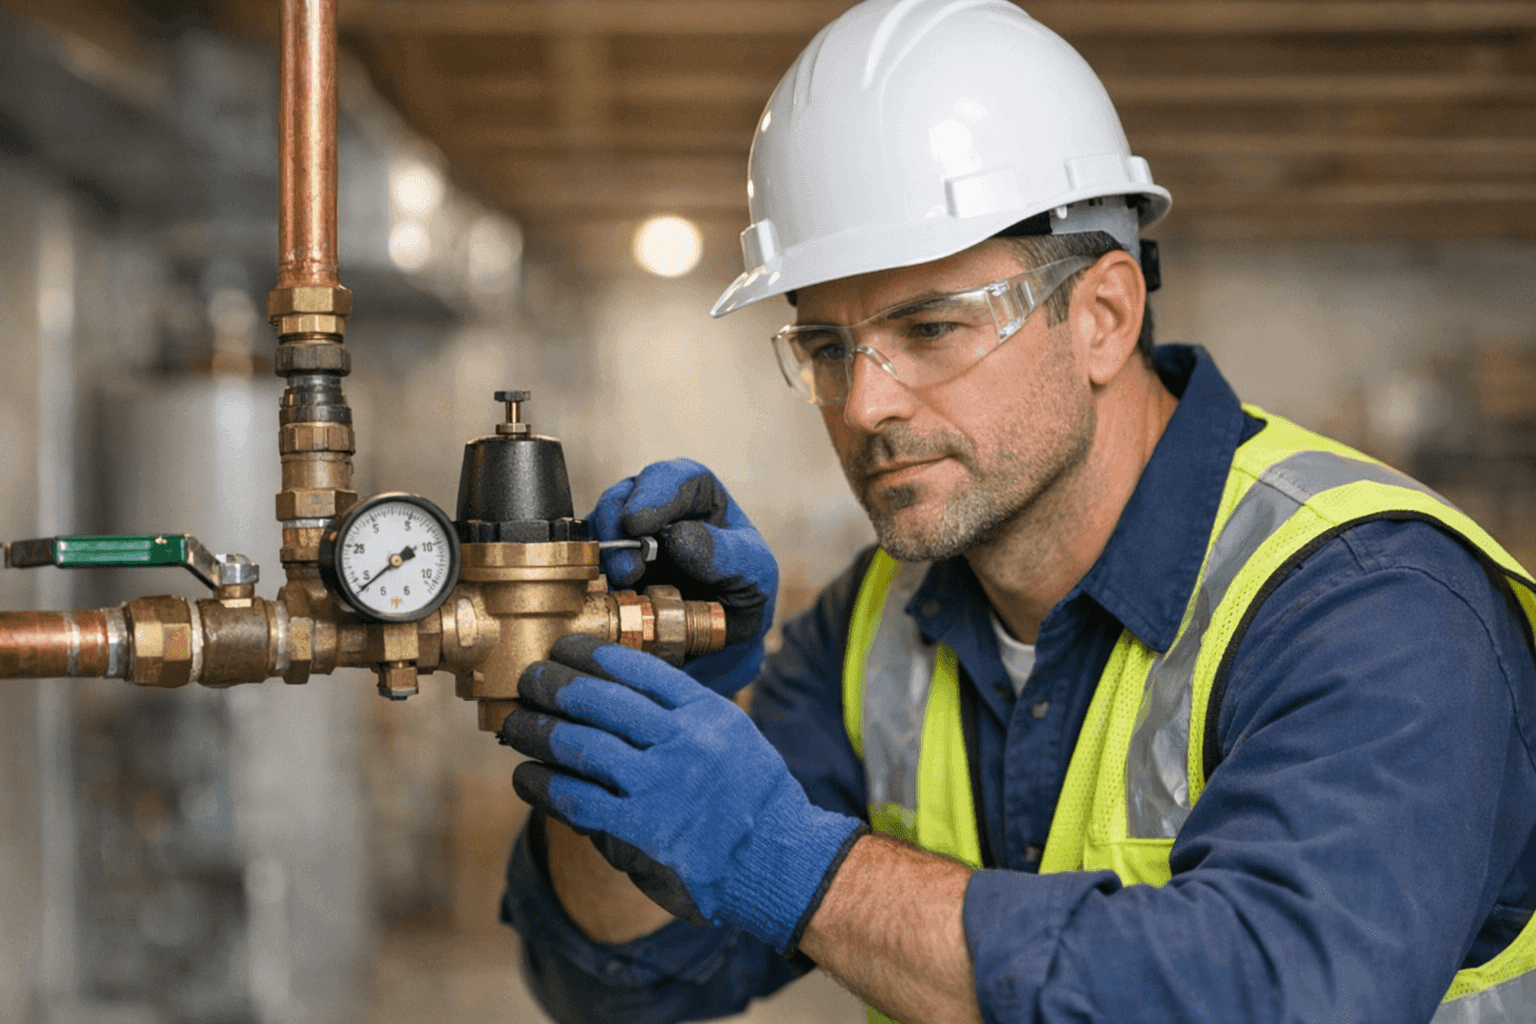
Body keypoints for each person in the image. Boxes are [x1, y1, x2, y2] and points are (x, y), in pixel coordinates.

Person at [498, 1, 1536, 1021]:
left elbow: (1271, 995)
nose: (863, 406)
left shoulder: (1376, 607)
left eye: (930, 328)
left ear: (1103, 317)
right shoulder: (872, 625)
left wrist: (791, 863)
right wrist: (635, 707)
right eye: (825, 347)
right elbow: (624, 984)